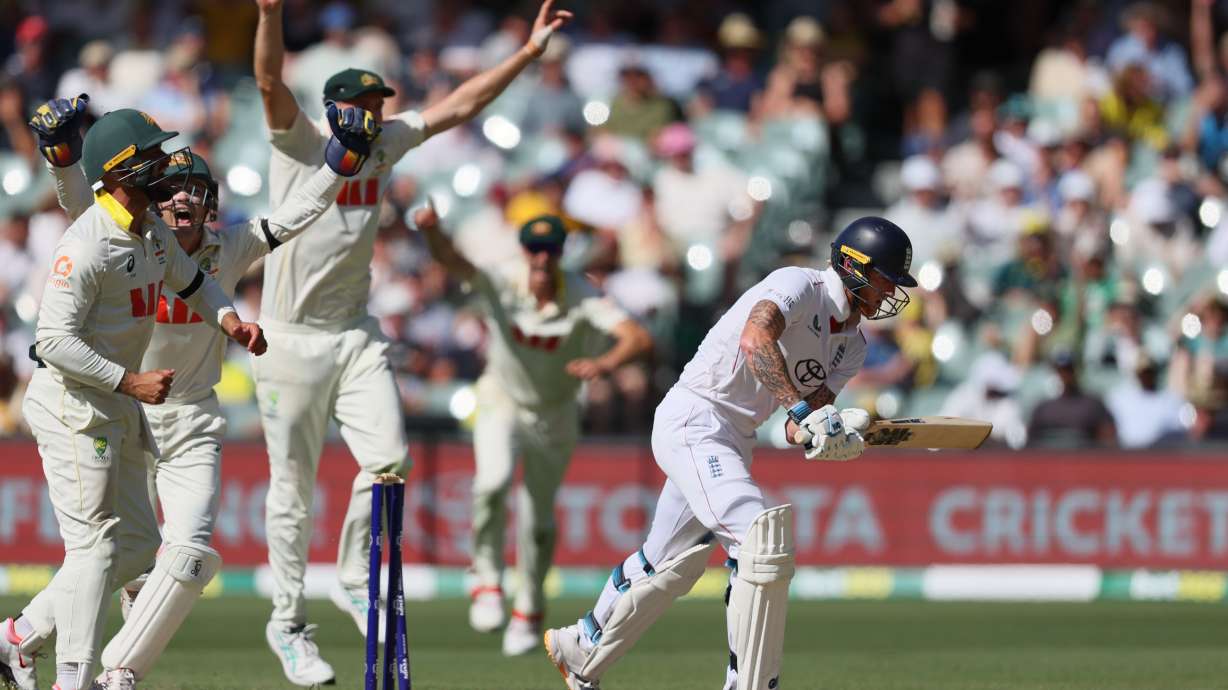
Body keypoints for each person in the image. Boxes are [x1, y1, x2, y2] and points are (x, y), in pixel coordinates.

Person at [0, 93, 378, 689]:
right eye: (169, 181)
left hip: (185, 417)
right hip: (119, 402)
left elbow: (284, 223)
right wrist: (59, 154)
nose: (180, 194)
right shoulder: (114, 231)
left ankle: (103, 667)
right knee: (107, 551)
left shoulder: (213, 246)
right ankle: (48, 656)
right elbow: (84, 206)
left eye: (194, 188)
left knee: (178, 554)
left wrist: (340, 162)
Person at [250, 0, 573, 683]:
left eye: (379, 103)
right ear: (338, 110)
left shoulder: (389, 143)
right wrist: (270, 13)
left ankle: (351, 578)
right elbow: (269, 83)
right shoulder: (300, 144)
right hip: (288, 340)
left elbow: (460, 104)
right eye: (364, 104)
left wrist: (526, 55)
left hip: (355, 334)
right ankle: (287, 625)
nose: (374, 114)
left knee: (390, 460)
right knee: (292, 491)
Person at [545, 217, 916, 690]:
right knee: (761, 541)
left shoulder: (852, 349)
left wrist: (835, 433)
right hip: (695, 418)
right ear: (854, 266)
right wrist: (805, 411)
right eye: (886, 280)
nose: (890, 295)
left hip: (733, 439)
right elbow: (755, 338)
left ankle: (581, 648)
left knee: (669, 564)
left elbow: (793, 428)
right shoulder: (799, 284)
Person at [0, 107, 265, 690]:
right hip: (72, 402)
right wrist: (130, 381)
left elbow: (193, 281)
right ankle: (73, 679)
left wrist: (228, 319)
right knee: (94, 545)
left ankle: (14, 639)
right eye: (150, 155)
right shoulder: (87, 243)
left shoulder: (151, 229)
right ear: (120, 171)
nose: (164, 163)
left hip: (115, 404)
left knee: (139, 546)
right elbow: (50, 342)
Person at [415, 208, 651, 654]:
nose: (542, 259)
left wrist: (604, 363)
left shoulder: (583, 294)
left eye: (551, 250)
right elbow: (454, 263)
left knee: (537, 519)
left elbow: (637, 337)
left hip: (556, 412)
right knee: (492, 482)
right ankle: (486, 580)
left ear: (561, 253)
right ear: (524, 251)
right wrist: (432, 231)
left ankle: (530, 606)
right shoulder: (503, 280)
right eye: (534, 249)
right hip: (500, 400)